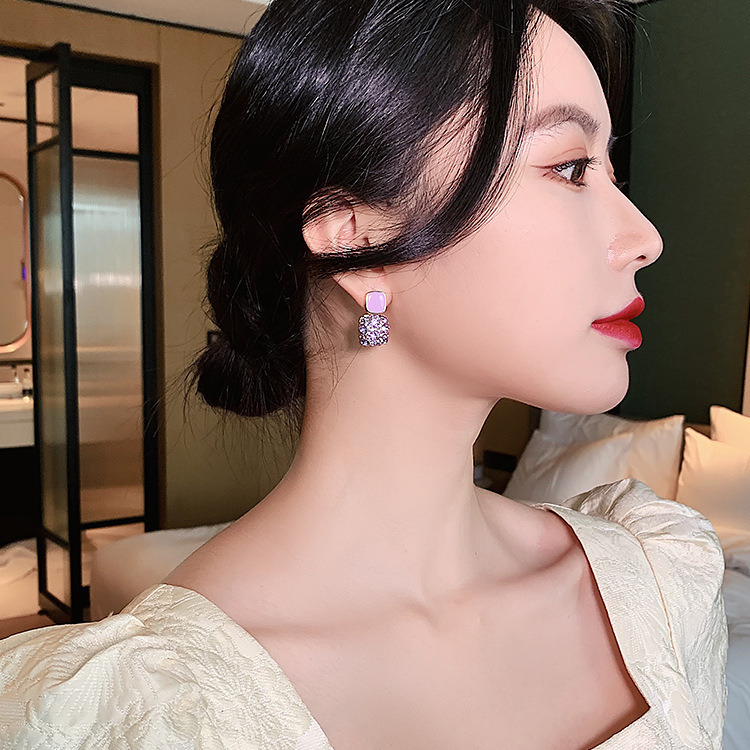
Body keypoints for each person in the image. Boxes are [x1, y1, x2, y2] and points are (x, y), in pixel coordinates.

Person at [0, 1, 728, 748]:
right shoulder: (145, 715)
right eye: (571, 168)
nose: (645, 236)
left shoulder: (658, 584)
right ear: (356, 236)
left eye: (611, 171)